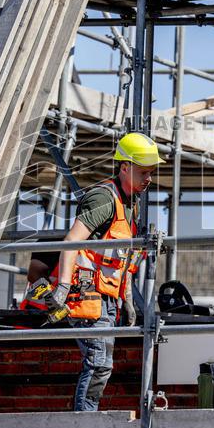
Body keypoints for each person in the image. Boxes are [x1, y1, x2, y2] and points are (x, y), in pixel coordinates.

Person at [48, 132, 164, 411]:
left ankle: (87, 421)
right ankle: (84, 425)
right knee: (99, 363)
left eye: (151, 173)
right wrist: (62, 287)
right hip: (87, 295)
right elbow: (72, 241)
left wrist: (125, 297)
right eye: (143, 172)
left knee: (101, 365)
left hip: (106, 298)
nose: (148, 179)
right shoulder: (104, 199)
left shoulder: (128, 202)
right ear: (124, 167)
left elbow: (120, 258)